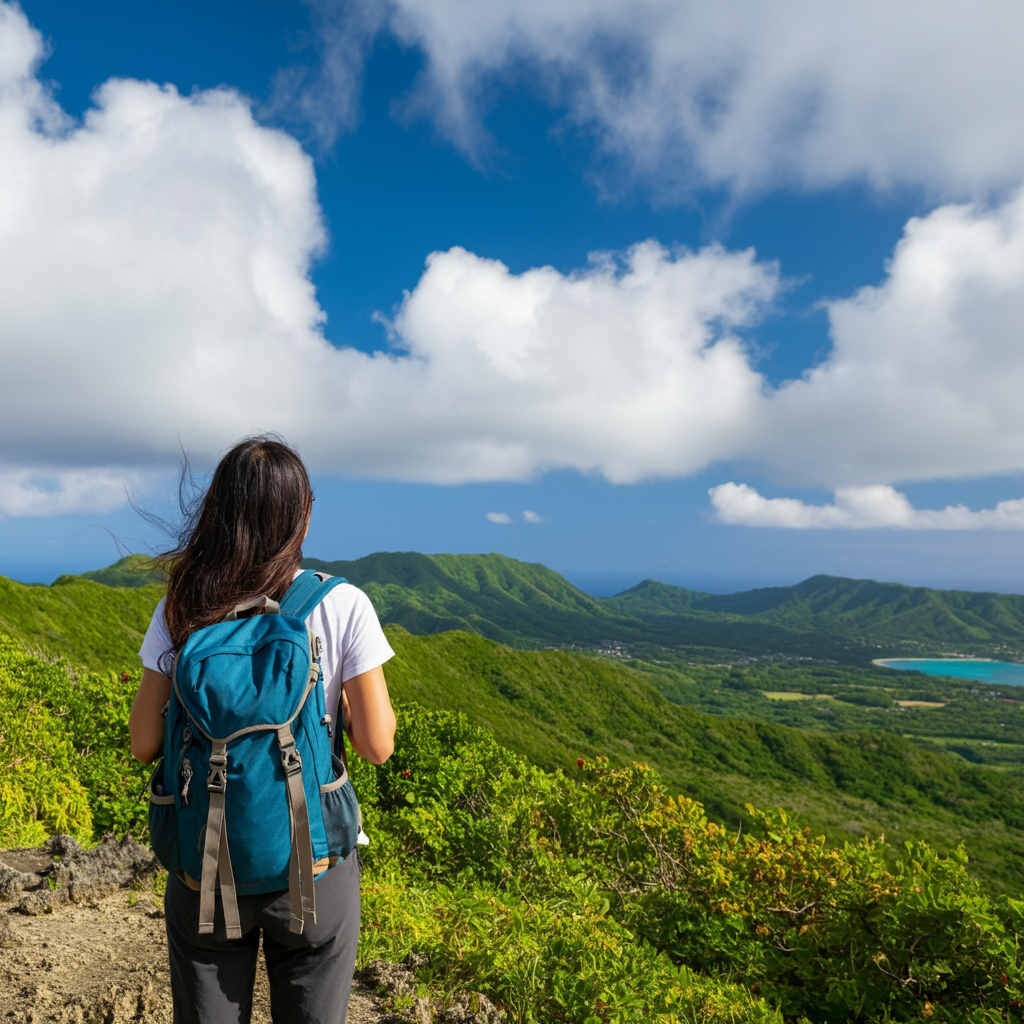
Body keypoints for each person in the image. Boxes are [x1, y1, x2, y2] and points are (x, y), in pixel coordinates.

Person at [129, 436, 397, 1024]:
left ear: (218, 511)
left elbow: (145, 743)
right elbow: (378, 747)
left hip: (204, 865)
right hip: (313, 869)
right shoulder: (342, 602)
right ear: (301, 513)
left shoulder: (183, 603)